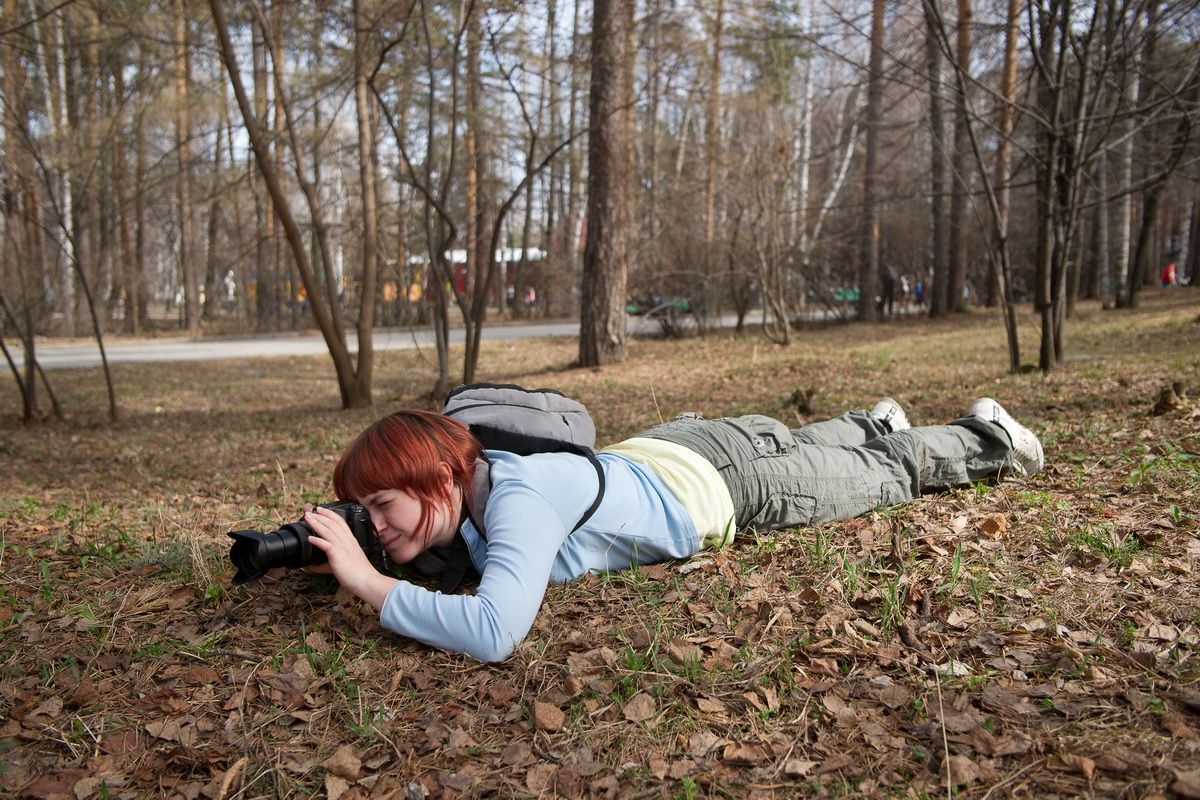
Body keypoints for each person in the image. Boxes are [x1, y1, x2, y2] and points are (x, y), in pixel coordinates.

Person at [300, 397, 1044, 662]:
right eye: (365, 512)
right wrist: (342, 544)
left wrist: (368, 582)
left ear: (440, 480)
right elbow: (441, 555)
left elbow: (494, 631)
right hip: (677, 446)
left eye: (383, 505)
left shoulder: (518, 498)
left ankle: (989, 437)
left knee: (885, 476)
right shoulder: (476, 483)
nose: (377, 524)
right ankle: (869, 421)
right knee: (802, 447)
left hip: (724, 484)